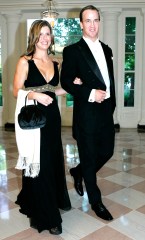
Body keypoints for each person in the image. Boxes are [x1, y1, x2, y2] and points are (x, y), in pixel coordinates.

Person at [13, 19, 81, 235]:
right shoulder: (25, 61)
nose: (45, 37)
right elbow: (16, 90)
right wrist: (35, 95)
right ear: (34, 36)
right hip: (33, 117)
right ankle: (49, 215)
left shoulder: (55, 63)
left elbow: (53, 91)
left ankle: (49, 200)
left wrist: (72, 87)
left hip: (52, 117)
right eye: (41, 33)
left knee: (51, 160)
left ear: (51, 38)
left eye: (48, 34)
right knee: (37, 161)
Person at [60, 5, 116, 221]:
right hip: (86, 112)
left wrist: (111, 104)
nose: (92, 25)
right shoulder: (72, 51)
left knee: (107, 151)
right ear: (81, 24)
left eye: (95, 20)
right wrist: (90, 92)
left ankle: (79, 171)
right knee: (90, 155)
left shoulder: (107, 49)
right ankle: (96, 201)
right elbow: (66, 81)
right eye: (88, 21)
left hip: (105, 110)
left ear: (99, 22)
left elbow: (110, 79)